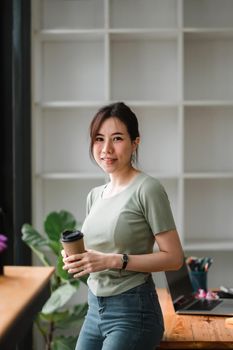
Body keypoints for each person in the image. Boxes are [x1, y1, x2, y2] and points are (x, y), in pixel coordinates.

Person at [62, 102, 184, 350]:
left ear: (135, 142)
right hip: (95, 310)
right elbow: (97, 253)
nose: (106, 149)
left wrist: (114, 261)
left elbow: (174, 258)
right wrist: (76, 259)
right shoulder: (95, 195)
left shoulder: (147, 189)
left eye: (117, 138)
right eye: (99, 139)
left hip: (133, 313)